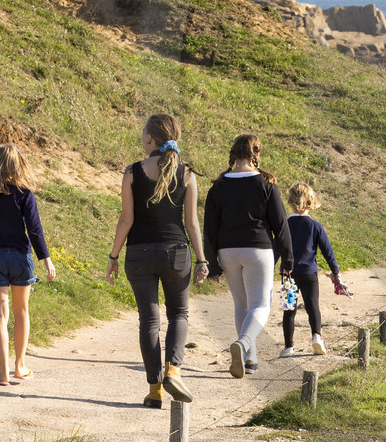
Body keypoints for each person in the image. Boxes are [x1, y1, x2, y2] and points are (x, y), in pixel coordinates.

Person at [105, 114, 208, 408]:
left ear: (150, 138)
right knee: (179, 314)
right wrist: (201, 260)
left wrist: (113, 256)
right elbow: (191, 224)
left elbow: (126, 220)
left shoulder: (133, 172)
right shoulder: (187, 175)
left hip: (139, 254)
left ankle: (154, 391)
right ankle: (173, 371)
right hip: (176, 253)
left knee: (148, 322)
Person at [202, 133, 294, 379]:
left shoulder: (219, 185)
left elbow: (209, 228)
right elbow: (281, 225)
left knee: (241, 305)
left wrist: (212, 265)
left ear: (234, 153)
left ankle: (250, 360)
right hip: (258, 249)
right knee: (261, 304)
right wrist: (288, 259)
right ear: (256, 154)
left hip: (228, 251)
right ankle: (243, 344)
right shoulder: (266, 183)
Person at [0, 144, 57, 386]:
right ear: (18, 165)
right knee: (21, 312)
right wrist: (45, 258)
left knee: (0, 315)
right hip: (20, 257)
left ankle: (3, 372)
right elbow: (35, 230)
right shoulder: (25, 194)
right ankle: (20, 366)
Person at [284, 182, 342, 356]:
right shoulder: (315, 226)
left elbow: (276, 248)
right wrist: (335, 272)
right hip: (309, 273)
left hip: (289, 275)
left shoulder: (285, 225)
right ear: (311, 201)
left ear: (290, 201)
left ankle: (288, 347)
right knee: (312, 307)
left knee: (289, 310)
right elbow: (328, 251)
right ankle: (316, 336)